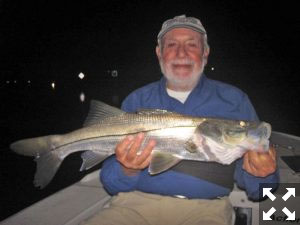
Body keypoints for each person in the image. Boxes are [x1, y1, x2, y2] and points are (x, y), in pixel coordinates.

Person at [82, 15, 278, 225]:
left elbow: (260, 192)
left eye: (191, 45)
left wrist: (265, 175)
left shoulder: (234, 100)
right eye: (171, 45)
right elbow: (111, 184)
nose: (181, 53)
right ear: (159, 53)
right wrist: (127, 169)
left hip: (206, 210)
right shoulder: (137, 100)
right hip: (134, 205)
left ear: (205, 52)